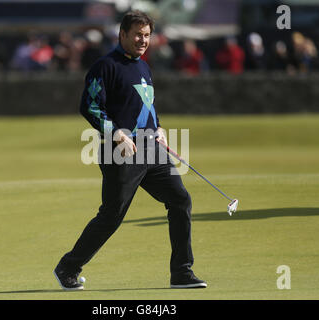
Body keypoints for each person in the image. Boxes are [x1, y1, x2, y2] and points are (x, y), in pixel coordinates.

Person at [53, 10, 206, 290]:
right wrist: (116, 134)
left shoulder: (144, 67)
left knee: (180, 200)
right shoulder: (105, 66)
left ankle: (182, 272)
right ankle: (68, 266)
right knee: (112, 215)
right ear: (122, 34)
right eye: (137, 34)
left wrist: (158, 127)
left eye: (147, 35)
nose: (142, 40)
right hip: (121, 152)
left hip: (151, 149)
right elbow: (89, 105)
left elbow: (146, 105)